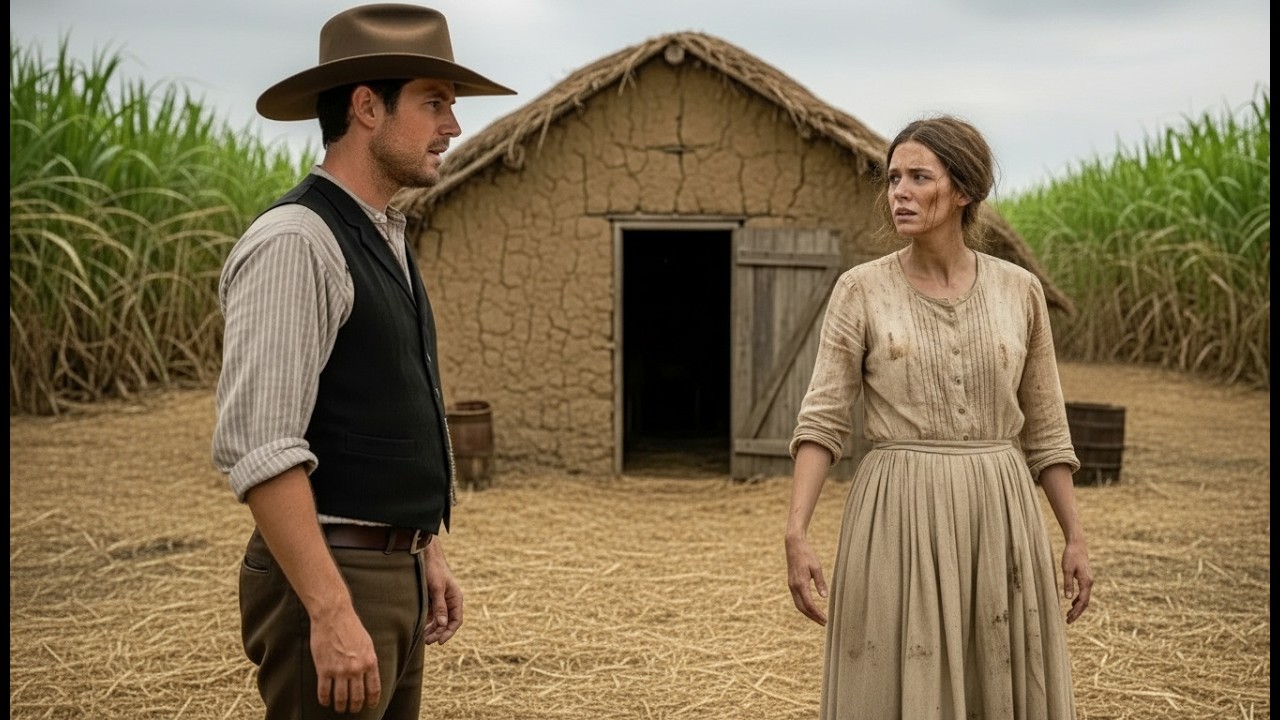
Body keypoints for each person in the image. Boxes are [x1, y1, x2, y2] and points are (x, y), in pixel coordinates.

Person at [211, 4, 514, 717]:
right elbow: (262, 447)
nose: (453, 126)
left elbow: (385, 407)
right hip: (331, 576)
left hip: (386, 575)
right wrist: (330, 609)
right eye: (434, 103)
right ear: (368, 107)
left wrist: (422, 550)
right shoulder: (298, 241)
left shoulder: (382, 236)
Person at [784, 115, 1093, 719]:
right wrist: (796, 531)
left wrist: (1074, 536)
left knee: (1000, 672)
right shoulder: (860, 290)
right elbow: (821, 420)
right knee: (895, 672)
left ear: (964, 191)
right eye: (893, 178)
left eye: (919, 178)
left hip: (999, 510)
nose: (898, 192)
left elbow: (1047, 428)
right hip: (896, 512)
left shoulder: (1019, 291)